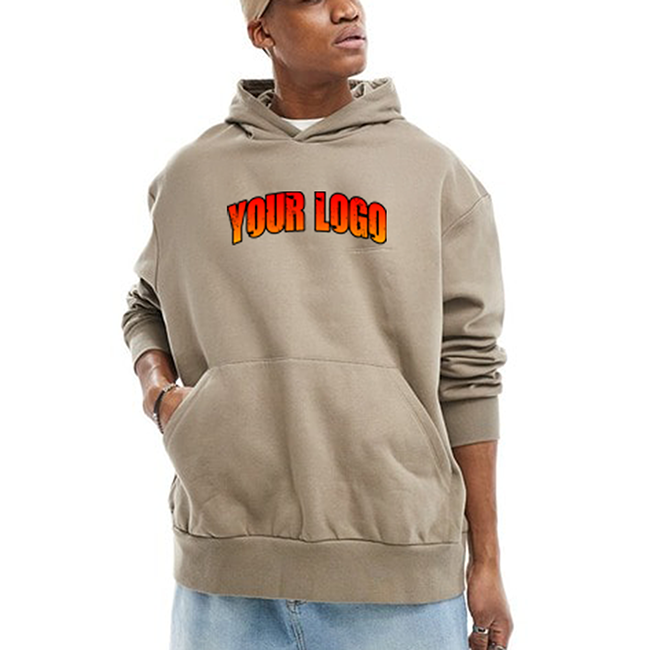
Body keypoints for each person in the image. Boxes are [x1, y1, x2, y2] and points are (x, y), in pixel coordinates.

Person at [120, 0, 514, 648]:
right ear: (261, 30)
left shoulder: (434, 174)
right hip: (225, 573)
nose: (347, 9)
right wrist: (158, 392)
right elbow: (145, 303)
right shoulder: (192, 177)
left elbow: (469, 369)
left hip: (401, 579)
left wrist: (488, 561)